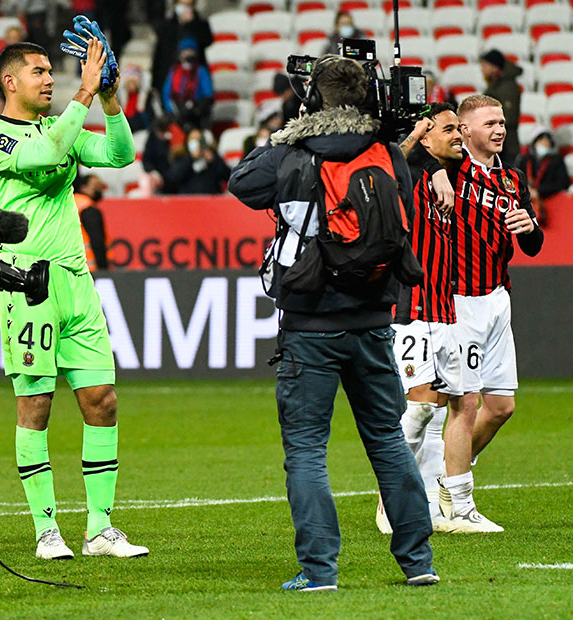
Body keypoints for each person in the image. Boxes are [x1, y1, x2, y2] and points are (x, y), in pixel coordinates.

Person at [228, 55, 438, 590]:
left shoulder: (293, 153)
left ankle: (319, 570)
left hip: (309, 323)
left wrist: (290, 129)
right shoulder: (390, 153)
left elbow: (241, 183)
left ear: (312, 98)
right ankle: (419, 564)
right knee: (388, 440)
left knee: (305, 449)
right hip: (373, 318)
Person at [0, 39, 148, 560]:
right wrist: (86, 91)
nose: (50, 79)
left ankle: (99, 529)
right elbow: (48, 154)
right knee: (36, 405)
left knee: (102, 401)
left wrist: (110, 100)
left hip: (76, 280)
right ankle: (46, 529)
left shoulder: (60, 126)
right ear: (10, 81)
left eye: (53, 72)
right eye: (39, 72)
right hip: (26, 283)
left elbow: (120, 154)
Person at [410, 94, 543, 532]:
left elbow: (532, 246)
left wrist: (531, 227)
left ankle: (452, 470)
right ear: (465, 131)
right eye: (489, 123)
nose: (500, 129)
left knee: (501, 406)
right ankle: (458, 503)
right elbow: (412, 160)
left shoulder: (512, 179)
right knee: (463, 404)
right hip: (459, 299)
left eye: (502, 121)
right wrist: (434, 172)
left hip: (497, 298)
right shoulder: (451, 166)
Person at [375, 103, 465, 534]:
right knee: (420, 405)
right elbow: (389, 160)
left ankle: (428, 503)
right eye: (448, 129)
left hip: (446, 309)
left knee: (441, 408)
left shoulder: (451, 177)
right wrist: (424, 155)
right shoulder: (410, 175)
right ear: (425, 137)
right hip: (411, 308)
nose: (458, 134)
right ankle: (388, 498)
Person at [151, 0, 213, 92]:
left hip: (194, 80)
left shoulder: (201, 24)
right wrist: (155, 84)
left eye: (189, 5)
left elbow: (207, 40)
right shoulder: (166, 26)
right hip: (170, 78)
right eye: (182, 5)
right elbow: (159, 55)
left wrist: (191, 24)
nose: (185, 8)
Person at [515, 126, 570, 226]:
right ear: (534, 143)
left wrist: (539, 191)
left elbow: (563, 183)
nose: (544, 143)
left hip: (550, 202)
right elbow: (514, 179)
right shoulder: (524, 159)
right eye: (541, 140)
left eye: (547, 141)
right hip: (525, 200)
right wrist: (527, 191)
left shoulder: (556, 160)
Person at [162, 38, 213, 132]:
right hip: (178, 112)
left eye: (191, 51)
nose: (188, 54)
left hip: (196, 114)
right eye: (185, 51)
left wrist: (196, 107)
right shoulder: (174, 71)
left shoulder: (200, 71)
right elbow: (166, 93)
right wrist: (172, 110)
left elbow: (208, 93)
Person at [480, 50, 521, 165]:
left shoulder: (507, 87)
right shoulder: (495, 84)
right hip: (497, 142)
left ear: (494, 66)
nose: (482, 69)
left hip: (507, 145)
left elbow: (510, 117)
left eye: (485, 65)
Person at [167, 128, 230, 194]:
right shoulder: (181, 156)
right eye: (193, 140)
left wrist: (212, 160)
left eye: (198, 139)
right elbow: (173, 178)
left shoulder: (212, 155)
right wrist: (191, 158)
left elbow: (227, 175)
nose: (196, 143)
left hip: (211, 198)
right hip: (188, 199)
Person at [74, 173, 111, 270]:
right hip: (89, 266)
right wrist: (103, 266)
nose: (99, 190)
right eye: (95, 186)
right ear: (83, 188)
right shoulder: (87, 207)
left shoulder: (70, 203)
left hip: (71, 263)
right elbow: (97, 239)